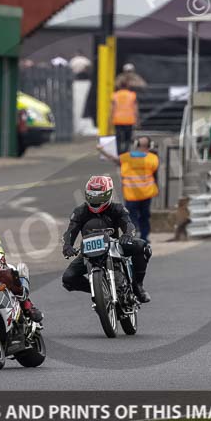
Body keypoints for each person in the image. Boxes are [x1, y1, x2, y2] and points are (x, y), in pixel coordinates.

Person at [61, 175, 152, 303]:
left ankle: (138, 286)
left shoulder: (117, 208)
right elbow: (70, 231)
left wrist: (127, 235)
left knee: (143, 247)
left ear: (109, 195)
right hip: (89, 250)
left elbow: (129, 224)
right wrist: (67, 246)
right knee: (68, 278)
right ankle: (99, 291)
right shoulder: (79, 211)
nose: (96, 201)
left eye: (100, 197)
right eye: (92, 197)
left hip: (114, 245)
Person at [98, 136, 158, 244]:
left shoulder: (126, 157)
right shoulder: (152, 158)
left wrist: (101, 150)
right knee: (145, 216)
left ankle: (133, 237)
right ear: (150, 146)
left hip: (131, 195)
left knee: (130, 217)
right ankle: (144, 237)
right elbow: (154, 169)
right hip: (146, 194)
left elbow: (113, 158)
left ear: (135, 145)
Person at [110, 77, 139, 154]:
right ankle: (126, 150)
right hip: (129, 119)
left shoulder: (115, 95)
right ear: (127, 86)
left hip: (117, 119)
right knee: (127, 137)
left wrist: (110, 118)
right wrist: (137, 119)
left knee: (118, 137)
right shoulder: (132, 95)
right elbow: (135, 108)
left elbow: (112, 108)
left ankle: (118, 151)